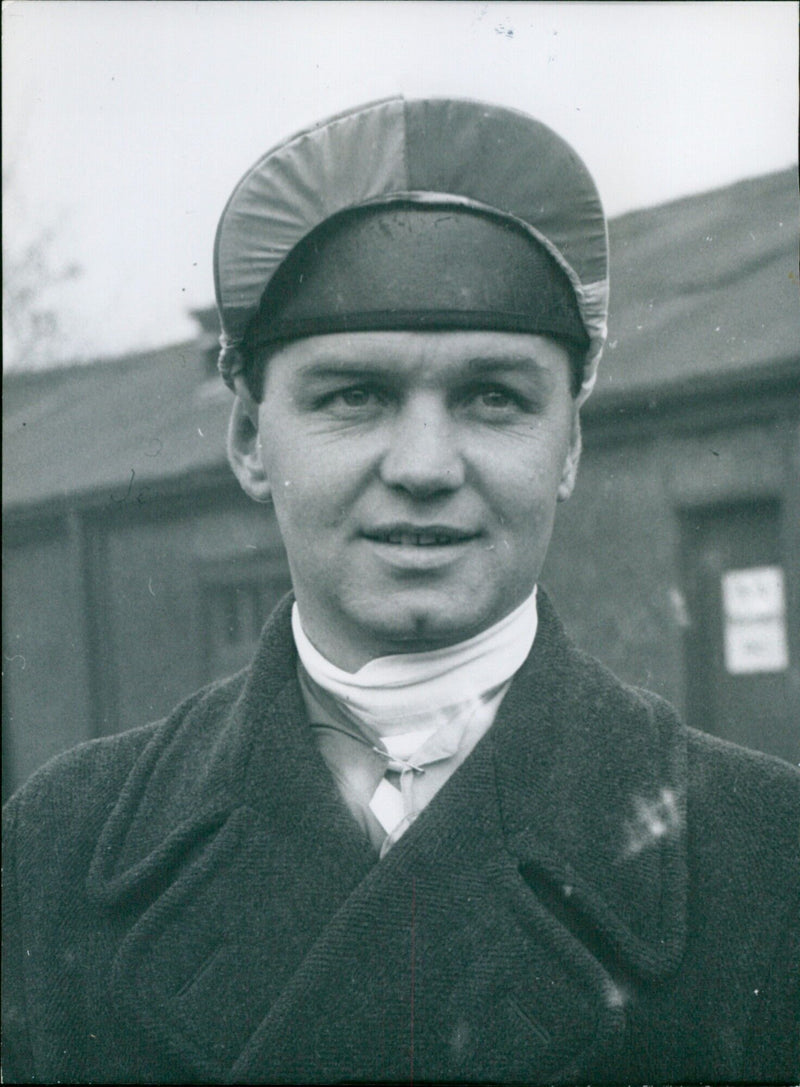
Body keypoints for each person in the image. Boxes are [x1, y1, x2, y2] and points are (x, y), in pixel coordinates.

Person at [2, 96, 798, 1086]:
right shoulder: (63, 847)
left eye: (491, 397)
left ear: (568, 447)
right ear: (250, 440)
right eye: (355, 396)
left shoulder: (763, 856)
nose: (424, 463)